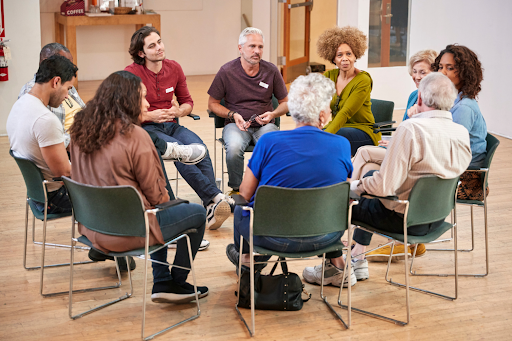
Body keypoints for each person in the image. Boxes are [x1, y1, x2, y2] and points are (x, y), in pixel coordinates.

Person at [303, 73, 472, 286]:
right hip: (435, 217)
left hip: (401, 219)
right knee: (369, 172)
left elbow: (384, 187)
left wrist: (350, 187)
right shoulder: (460, 132)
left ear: (419, 99)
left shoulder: (411, 129)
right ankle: (358, 259)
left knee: (332, 201)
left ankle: (335, 269)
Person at [69, 70, 209, 303]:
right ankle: (171, 282)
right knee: (194, 213)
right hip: (127, 232)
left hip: (90, 228)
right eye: (142, 97)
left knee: (153, 208)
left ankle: (165, 281)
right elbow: (158, 197)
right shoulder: (136, 136)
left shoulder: (79, 131)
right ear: (127, 101)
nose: (147, 103)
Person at [224, 73, 353, 276]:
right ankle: (337, 266)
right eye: (328, 107)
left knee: (241, 207)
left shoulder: (269, 142)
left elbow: (245, 193)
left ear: (293, 111)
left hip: (272, 237)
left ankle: (249, 262)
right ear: (321, 115)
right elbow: (343, 194)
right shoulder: (342, 145)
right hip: (326, 236)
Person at [125, 26, 232, 230]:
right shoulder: (130, 74)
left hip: (172, 124)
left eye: (160, 42)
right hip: (147, 128)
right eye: (152, 45)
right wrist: (149, 115)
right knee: (181, 154)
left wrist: (178, 112)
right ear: (141, 53)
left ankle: (210, 204)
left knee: (200, 148)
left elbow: (187, 103)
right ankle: (214, 198)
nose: (159, 48)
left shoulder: (174, 68)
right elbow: (125, 112)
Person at [207, 27, 289, 195]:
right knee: (234, 148)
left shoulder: (271, 70)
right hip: (236, 124)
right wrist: (232, 115)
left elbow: (286, 103)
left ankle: (267, 188)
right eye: (252, 46)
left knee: (273, 147)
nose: (257, 51)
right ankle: (237, 190)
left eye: (260, 47)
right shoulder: (227, 71)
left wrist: (272, 114)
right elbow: (212, 104)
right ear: (240, 48)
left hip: (265, 125)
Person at [8, 55, 77, 215]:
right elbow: (64, 173)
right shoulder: (45, 120)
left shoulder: (20, 104)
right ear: (56, 82)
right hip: (55, 197)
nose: (67, 96)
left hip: (38, 194)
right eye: (68, 89)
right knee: (119, 192)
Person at [317, 26, 381, 155]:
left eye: (349, 54)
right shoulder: (329, 76)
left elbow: (345, 112)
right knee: (313, 137)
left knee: (327, 139)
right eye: (339, 55)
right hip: (339, 128)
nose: (345, 58)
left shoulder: (363, 80)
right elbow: (320, 105)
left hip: (363, 131)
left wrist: (323, 135)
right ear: (333, 59)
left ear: (355, 55)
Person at [18, 43, 86, 148]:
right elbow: (53, 139)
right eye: (66, 63)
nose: (70, 69)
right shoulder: (34, 94)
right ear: (47, 62)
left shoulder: (64, 81)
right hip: (76, 148)